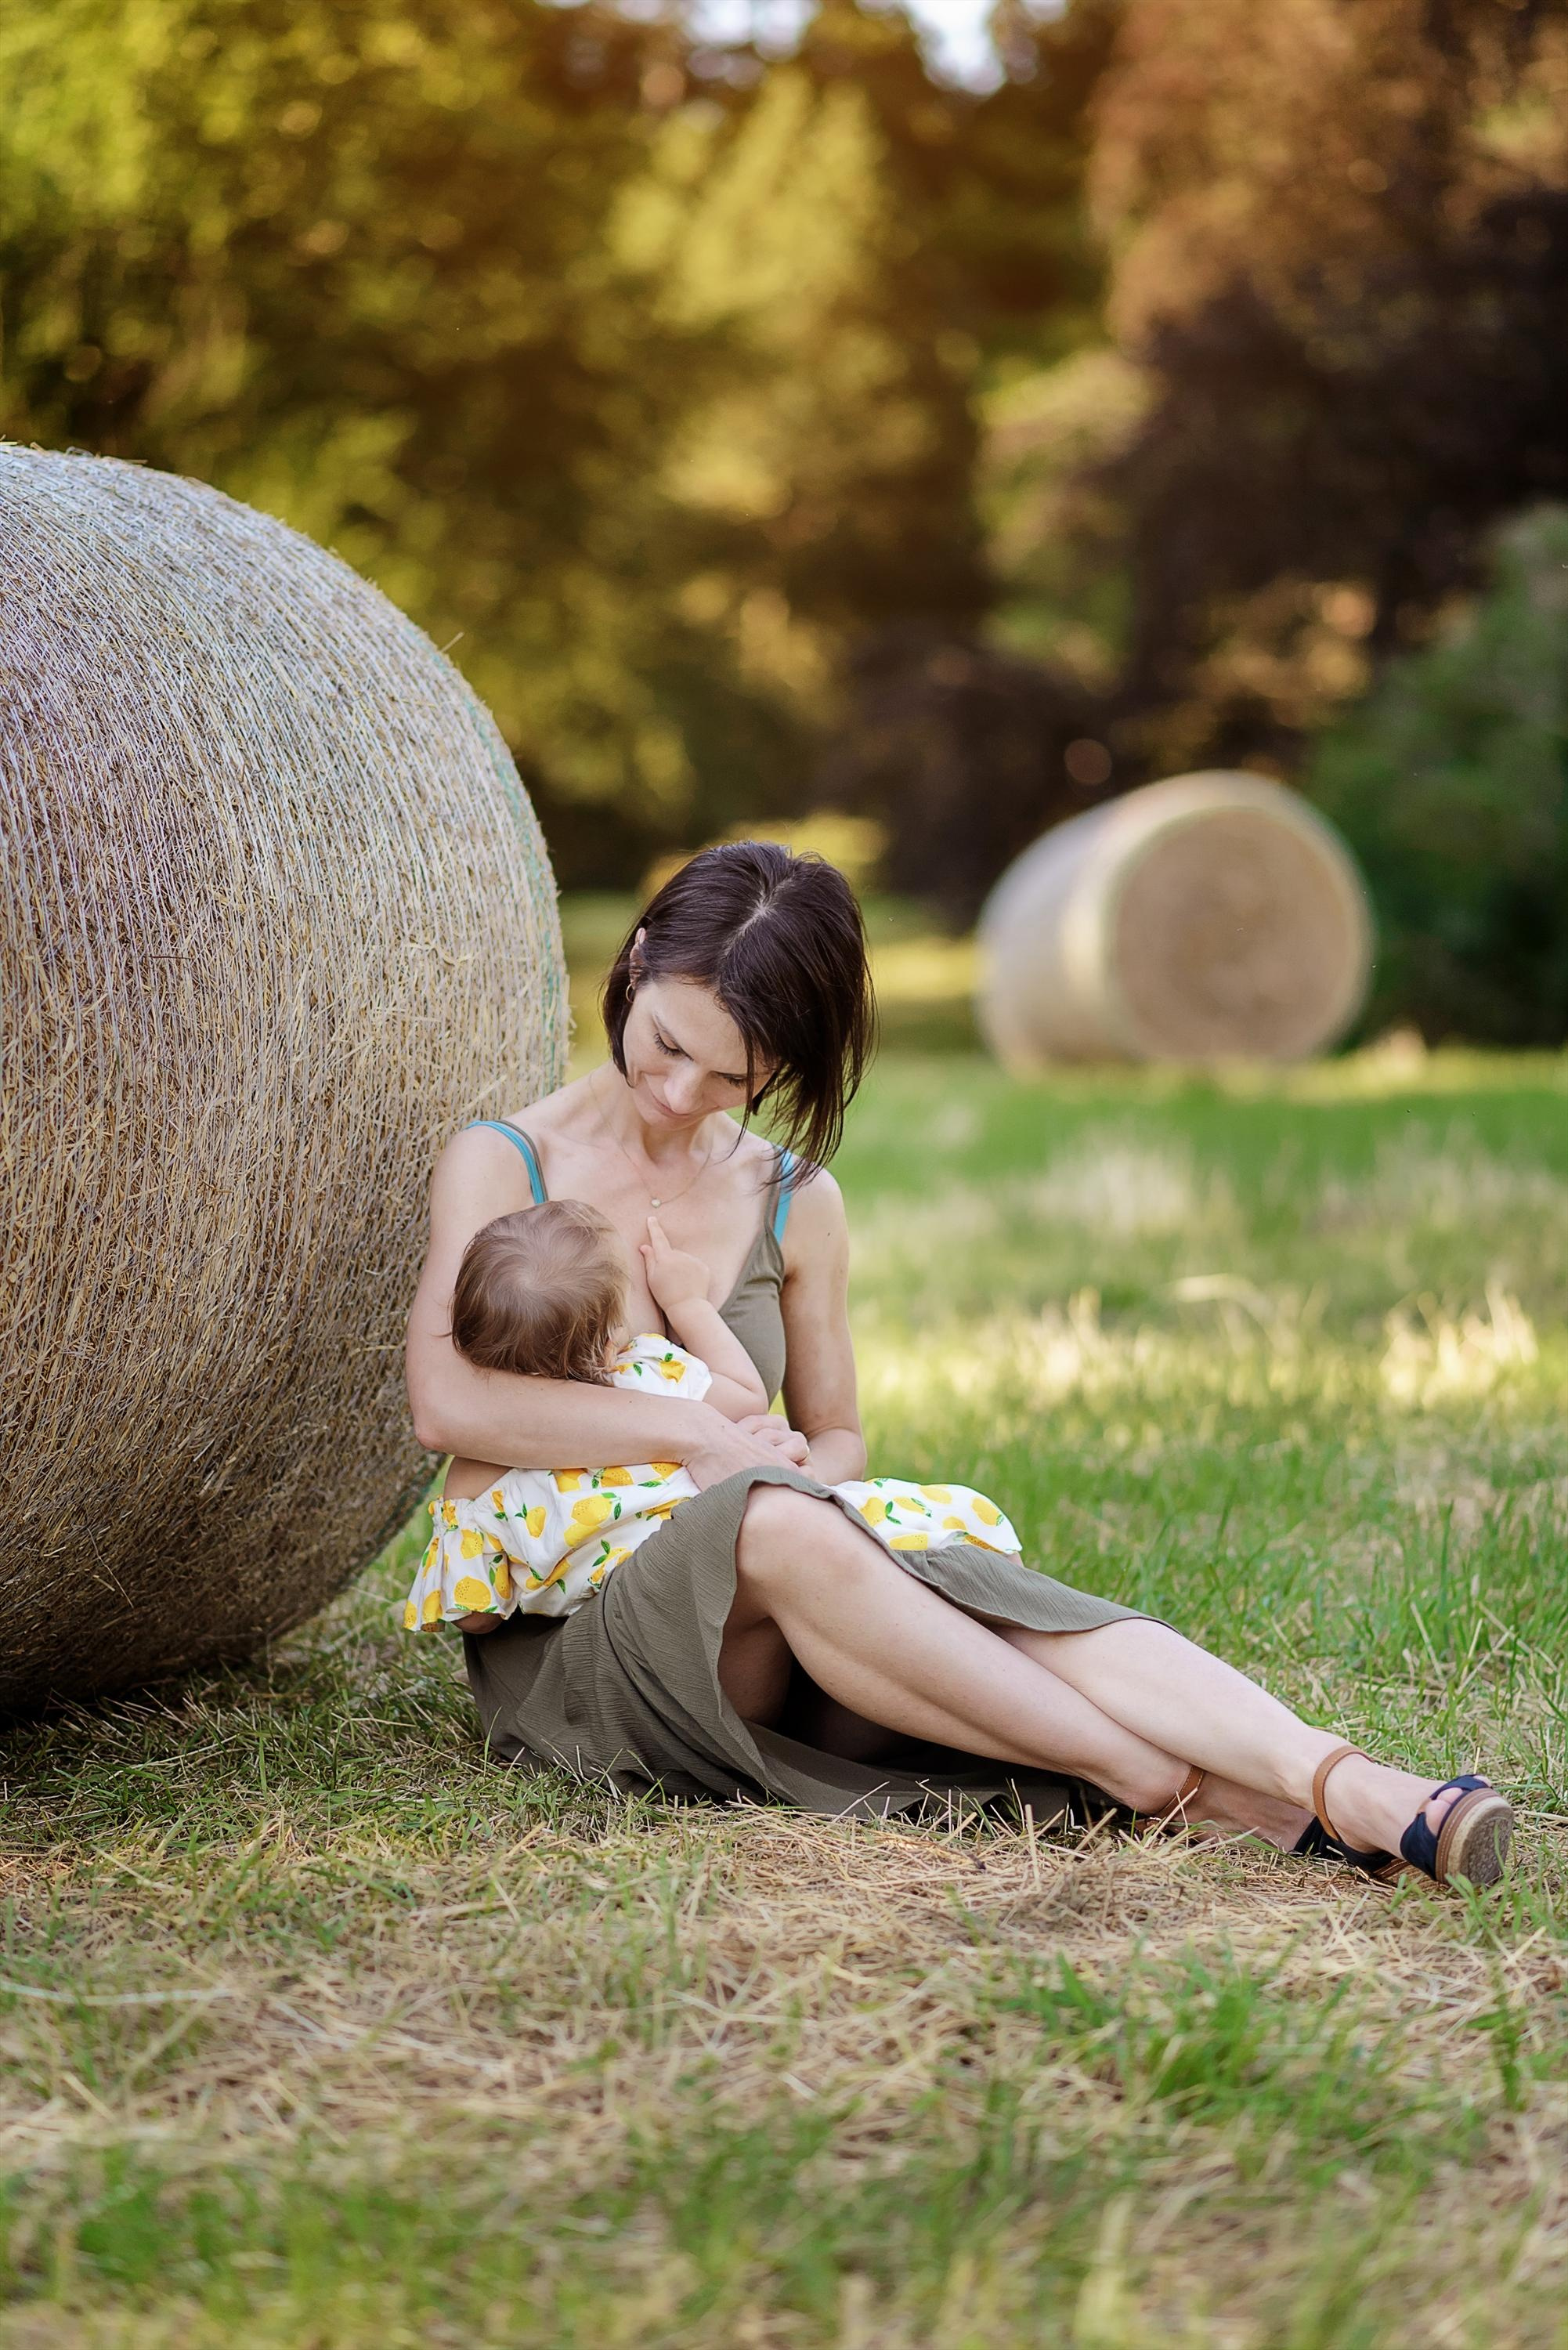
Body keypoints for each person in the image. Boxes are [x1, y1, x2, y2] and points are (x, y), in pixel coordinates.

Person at [404, 841, 1512, 1889]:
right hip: (590, 1651)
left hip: (788, 1615)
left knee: (960, 1577)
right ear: (634, 960)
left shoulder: (796, 1200)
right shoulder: (507, 1162)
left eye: (733, 1075)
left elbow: (837, 1436)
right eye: (667, 1046)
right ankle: (1150, 1778)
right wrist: (701, 1440)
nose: (682, 1095)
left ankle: (1347, 1786)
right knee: (778, 1522)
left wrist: (799, 1467)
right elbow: (446, 1402)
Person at [402, 1198, 1022, 1632]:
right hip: (741, 1548)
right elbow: (746, 1393)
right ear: (608, 1339)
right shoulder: (646, 1375)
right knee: (912, 1527)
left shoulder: (479, 1472)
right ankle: (982, 1586)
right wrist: (687, 1301)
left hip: (655, 1619)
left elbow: (477, 1615)